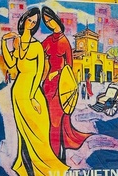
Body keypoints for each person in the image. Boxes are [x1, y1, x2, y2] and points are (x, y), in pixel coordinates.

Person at [1, 7, 69, 176]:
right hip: (18, 95)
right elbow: (12, 65)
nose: (30, 24)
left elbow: (39, 72)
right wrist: (6, 43)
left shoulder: (37, 47)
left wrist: (32, 95)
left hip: (33, 96)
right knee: (25, 144)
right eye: (28, 21)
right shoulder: (17, 43)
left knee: (39, 143)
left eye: (34, 22)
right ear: (22, 21)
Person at [41, 7, 91, 161]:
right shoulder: (48, 40)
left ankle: (55, 156)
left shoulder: (64, 41)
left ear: (56, 19)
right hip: (47, 85)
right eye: (46, 22)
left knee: (56, 120)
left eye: (50, 20)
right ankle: (54, 152)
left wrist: (58, 73)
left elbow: (69, 65)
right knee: (48, 120)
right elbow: (38, 54)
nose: (50, 24)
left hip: (60, 85)